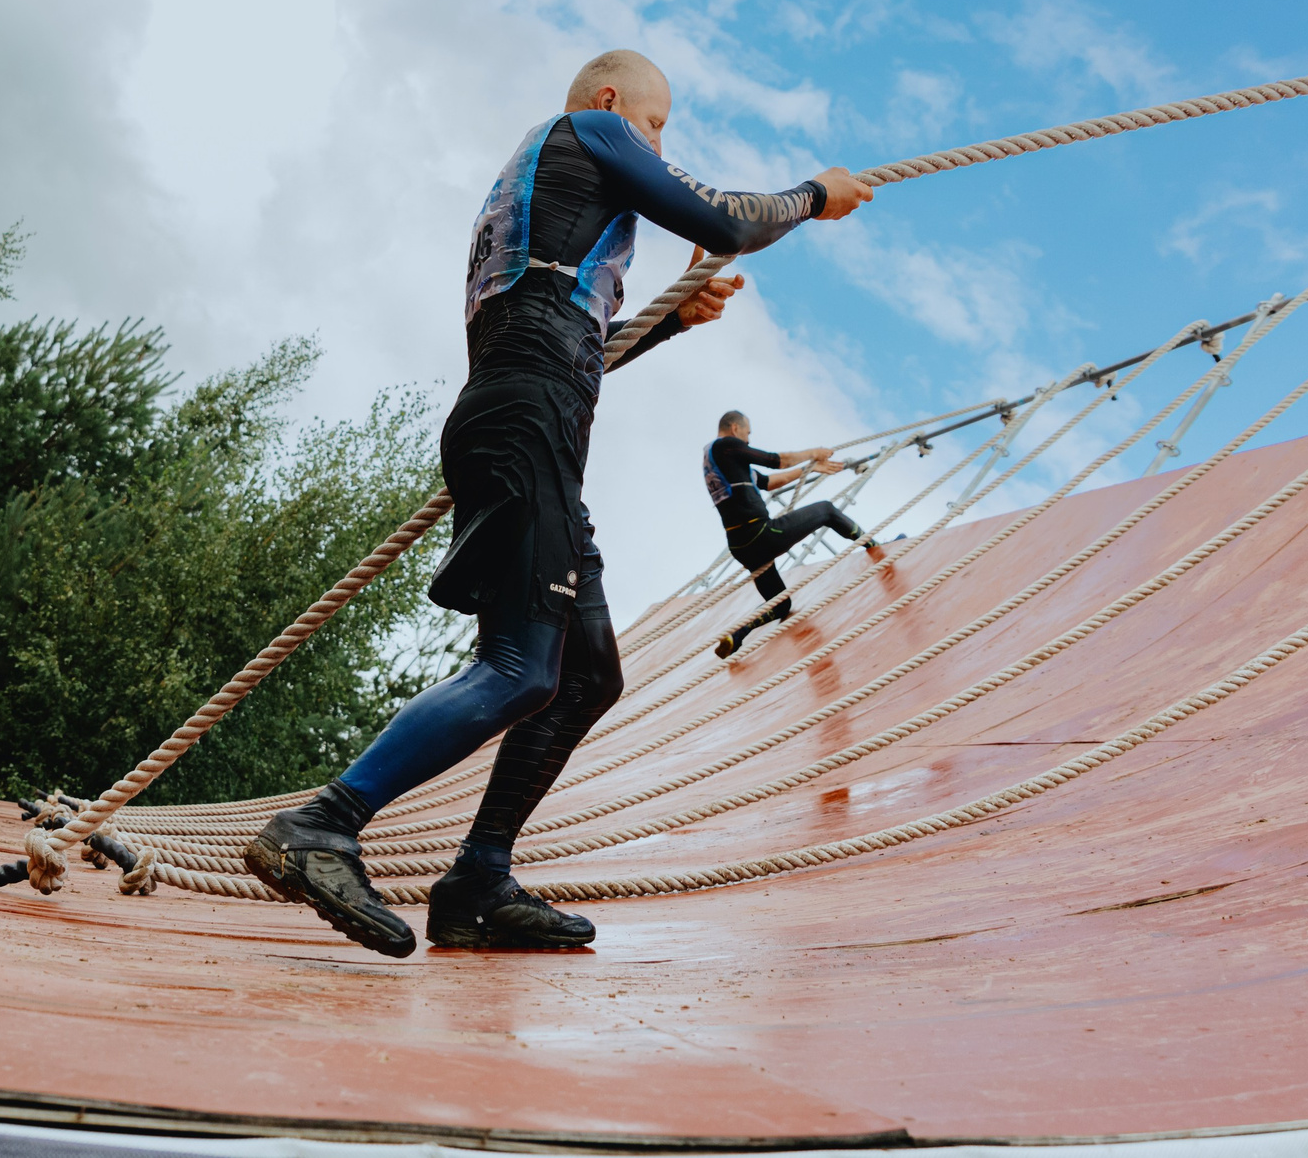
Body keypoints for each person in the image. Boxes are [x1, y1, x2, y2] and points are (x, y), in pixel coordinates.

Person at [243, 49, 871, 956]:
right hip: (526, 418)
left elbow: (575, 337)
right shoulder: (592, 129)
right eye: (659, 126)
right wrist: (815, 195)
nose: (657, 145)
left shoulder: (537, 198)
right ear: (614, 101)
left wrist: (668, 321)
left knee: (584, 673)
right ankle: (322, 824)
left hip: (525, 414)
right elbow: (719, 218)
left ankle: (478, 881)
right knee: (518, 667)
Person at [704, 411, 887, 661]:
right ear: (735, 428)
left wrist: (810, 470)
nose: (747, 440)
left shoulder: (720, 464)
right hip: (762, 534)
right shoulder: (727, 446)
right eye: (747, 434)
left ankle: (736, 635)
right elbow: (774, 460)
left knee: (781, 604)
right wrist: (813, 453)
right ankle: (876, 547)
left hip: (741, 546)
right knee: (826, 510)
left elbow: (767, 481)